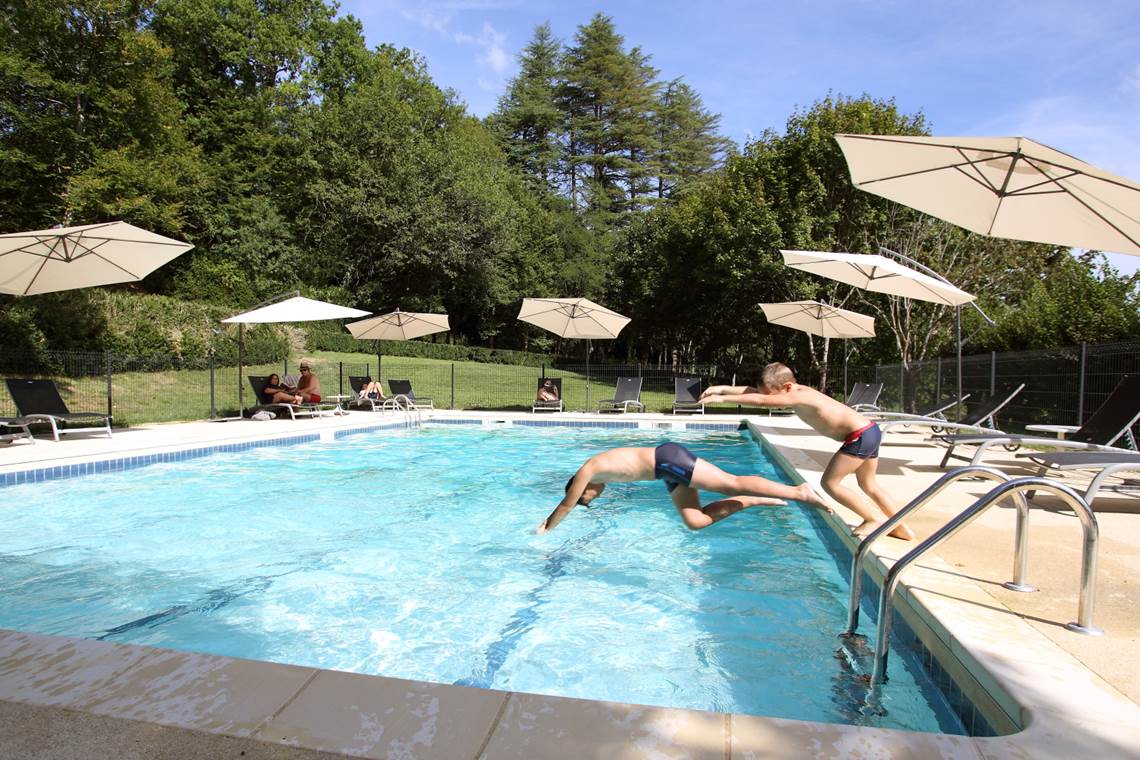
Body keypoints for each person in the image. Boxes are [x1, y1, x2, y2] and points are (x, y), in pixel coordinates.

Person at [699, 363, 914, 540]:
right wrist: (723, 388)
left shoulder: (800, 395)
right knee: (869, 485)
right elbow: (757, 393)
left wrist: (722, 398)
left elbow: (763, 400)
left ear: (788, 386)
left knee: (830, 484)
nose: (774, 400)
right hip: (869, 430)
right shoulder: (792, 391)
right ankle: (900, 526)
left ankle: (871, 519)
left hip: (858, 436)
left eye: (775, 395)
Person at [537, 442, 830, 533]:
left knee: (729, 483)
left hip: (668, 460)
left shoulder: (587, 472)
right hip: (667, 473)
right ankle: (753, 501)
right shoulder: (601, 475)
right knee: (695, 521)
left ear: (581, 488)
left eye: (586, 499)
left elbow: (566, 505)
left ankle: (798, 492)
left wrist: (546, 528)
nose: (591, 498)